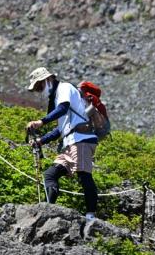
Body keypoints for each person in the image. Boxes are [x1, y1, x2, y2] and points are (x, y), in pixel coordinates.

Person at [25, 67, 98, 220]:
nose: (40, 90)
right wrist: (41, 141)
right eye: (37, 88)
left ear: (48, 80)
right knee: (50, 174)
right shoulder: (58, 97)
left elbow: (63, 108)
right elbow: (60, 129)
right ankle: (48, 211)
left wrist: (41, 121)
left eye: (40, 86)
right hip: (71, 142)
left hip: (81, 139)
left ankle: (91, 217)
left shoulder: (64, 88)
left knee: (84, 175)